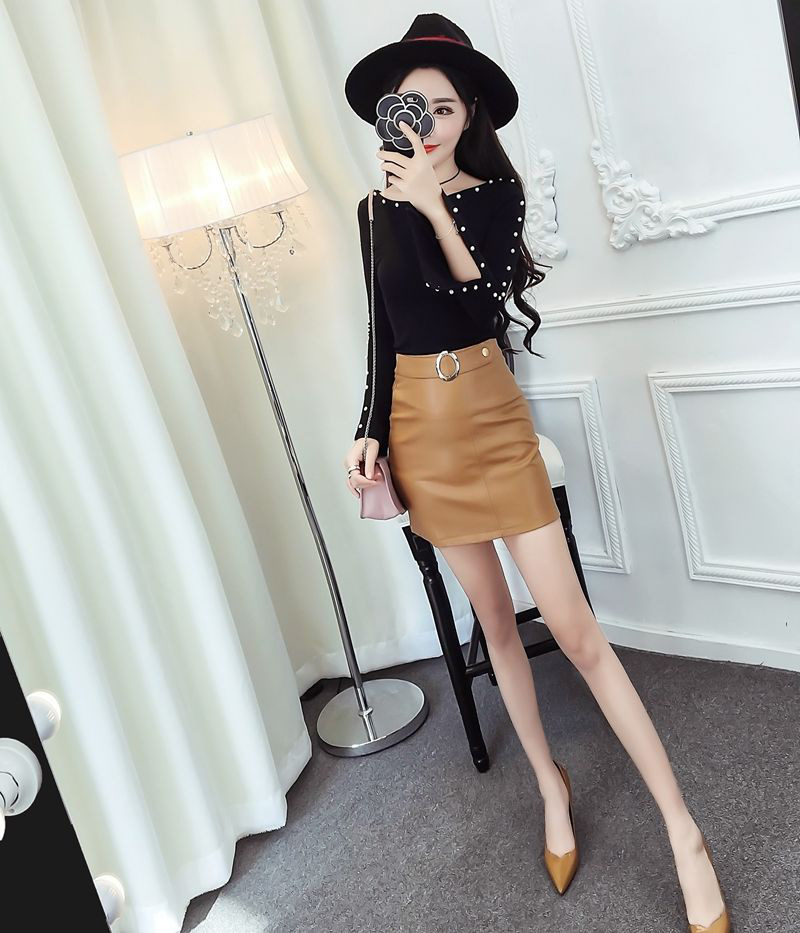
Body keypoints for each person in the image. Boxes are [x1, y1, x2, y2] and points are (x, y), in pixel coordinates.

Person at [342, 13, 730, 931]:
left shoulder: (493, 195)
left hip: (490, 416)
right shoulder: (371, 210)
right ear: (390, 114)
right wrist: (367, 429)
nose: (426, 125)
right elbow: (383, 332)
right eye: (411, 108)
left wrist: (432, 204)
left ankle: (683, 829)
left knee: (577, 631)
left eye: (442, 108)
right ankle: (551, 786)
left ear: (469, 113)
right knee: (495, 627)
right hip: (419, 428)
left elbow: (479, 305)